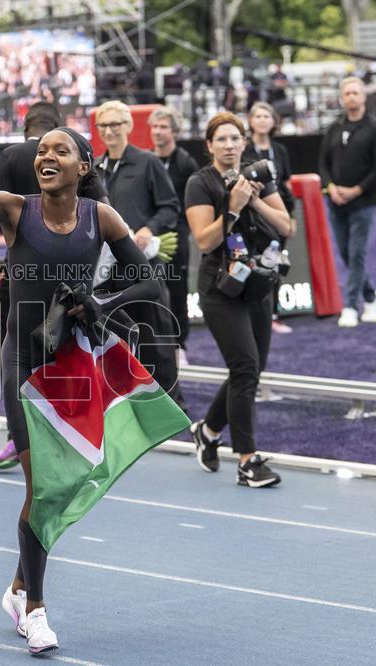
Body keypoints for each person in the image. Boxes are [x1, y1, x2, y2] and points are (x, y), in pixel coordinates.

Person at [0, 97, 163, 654]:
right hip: (22, 363)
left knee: (60, 490)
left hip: (71, 364)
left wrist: (102, 303)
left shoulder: (100, 218)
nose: (46, 156)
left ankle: (17, 586)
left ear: (85, 166)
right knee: (42, 488)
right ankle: (35, 610)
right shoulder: (15, 208)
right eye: (41, 151)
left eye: (61, 150)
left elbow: (150, 284)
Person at [0, 101, 108, 470]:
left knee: (14, 349)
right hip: (73, 284)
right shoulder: (79, 170)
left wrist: (17, 234)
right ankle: (57, 436)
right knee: (60, 355)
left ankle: (19, 436)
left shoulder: (10, 156)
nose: (47, 158)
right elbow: (102, 215)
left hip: (22, 275)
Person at [184, 113, 292, 488]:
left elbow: (287, 225)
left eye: (235, 138)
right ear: (209, 146)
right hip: (220, 290)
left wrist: (255, 201)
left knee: (250, 369)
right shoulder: (199, 183)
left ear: (244, 142)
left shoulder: (259, 173)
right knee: (245, 368)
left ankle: (209, 431)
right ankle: (247, 462)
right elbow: (204, 241)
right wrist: (231, 207)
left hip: (258, 286)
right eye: (222, 139)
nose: (229, 145)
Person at [94, 100, 180, 397]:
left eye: (115, 124)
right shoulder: (94, 169)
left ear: (128, 126)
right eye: (103, 125)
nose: (109, 131)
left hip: (144, 266)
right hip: (107, 271)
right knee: (115, 340)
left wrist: (149, 228)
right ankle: (126, 404)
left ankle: (171, 402)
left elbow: (170, 207)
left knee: (156, 335)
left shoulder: (148, 163)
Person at [320, 77, 376, 328]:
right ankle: (372, 297)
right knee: (346, 253)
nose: (351, 97)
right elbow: (323, 163)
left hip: (365, 202)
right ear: (342, 97)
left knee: (357, 253)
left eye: (355, 92)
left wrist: (357, 190)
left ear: (363, 96)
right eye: (346, 93)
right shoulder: (334, 127)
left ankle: (350, 305)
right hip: (336, 202)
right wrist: (331, 187)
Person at [148, 105, 199, 364]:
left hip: (177, 234)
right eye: (154, 127)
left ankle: (180, 346)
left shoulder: (185, 162)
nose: (157, 132)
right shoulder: (146, 159)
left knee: (177, 290)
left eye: (163, 126)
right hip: (149, 234)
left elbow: (192, 202)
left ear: (175, 131)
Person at [244, 101, 296, 334]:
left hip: (277, 215)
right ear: (251, 120)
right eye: (258, 116)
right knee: (254, 263)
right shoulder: (244, 149)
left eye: (267, 116)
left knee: (275, 265)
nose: (263, 120)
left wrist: (289, 217)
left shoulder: (281, 150)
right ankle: (250, 313)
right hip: (253, 216)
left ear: (274, 121)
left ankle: (273, 314)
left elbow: (286, 184)